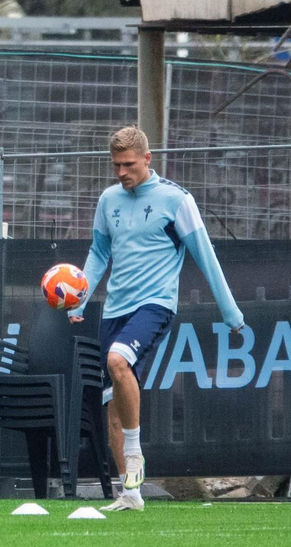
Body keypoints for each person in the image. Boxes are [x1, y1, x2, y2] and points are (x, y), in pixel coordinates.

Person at [69, 126, 244, 512]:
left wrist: (230, 312)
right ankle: (129, 494)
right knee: (112, 403)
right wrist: (80, 300)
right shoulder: (108, 199)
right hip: (115, 308)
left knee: (118, 360)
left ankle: (135, 454)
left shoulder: (175, 200)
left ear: (148, 160)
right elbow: (99, 254)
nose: (121, 172)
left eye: (129, 164)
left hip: (155, 304)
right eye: (116, 165)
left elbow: (205, 256)